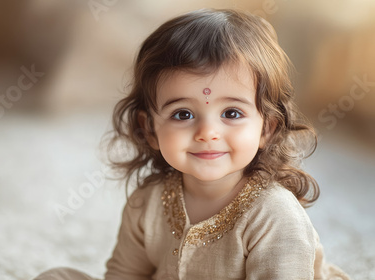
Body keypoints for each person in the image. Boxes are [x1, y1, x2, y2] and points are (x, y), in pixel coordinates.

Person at [35, 8, 350, 280]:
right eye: (183, 113)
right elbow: (124, 274)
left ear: (267, 128)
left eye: (231, 113)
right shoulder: (147, 202)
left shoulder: (274, 214)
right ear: (149, 130)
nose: (207, 132)